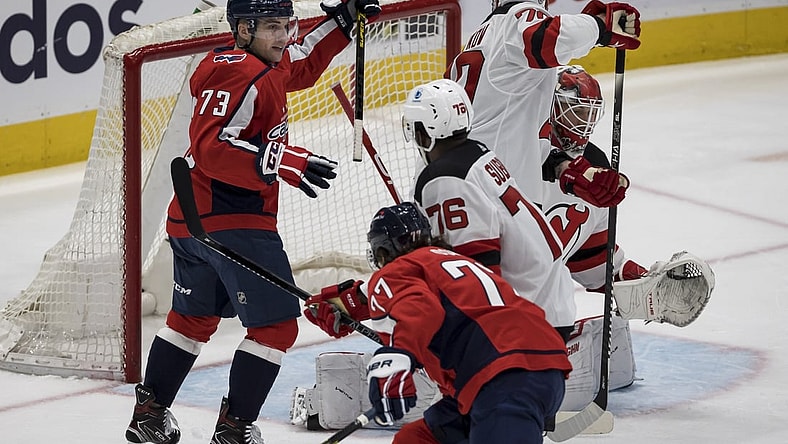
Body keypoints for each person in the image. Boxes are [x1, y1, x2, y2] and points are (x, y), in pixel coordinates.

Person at [124, 1, 381, 443]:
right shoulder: (240, 72)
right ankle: (234, 429)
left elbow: (299, 64)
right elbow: (210, 148)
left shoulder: (256, 64)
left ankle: (149, 415)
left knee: (190, 321)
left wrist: (342, 21)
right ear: (243, 29)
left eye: (286, 26)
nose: (283, 36)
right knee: (276, 327)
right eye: (272, 28)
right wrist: (283, 159)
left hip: (190, 223)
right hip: (233, 220)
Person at [365, 202, 572, 443]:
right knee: (416, 439)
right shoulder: (452, 261)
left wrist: (399, 355)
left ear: (383, 250)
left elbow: (420, 309)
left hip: (503, 375)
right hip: (538, 369)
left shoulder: (395, 271)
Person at [446, 0, 640, 208]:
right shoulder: (518, 15)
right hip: (495, 195)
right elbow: (547, 39)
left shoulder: (486, 33)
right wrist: (600, 26)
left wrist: (564, 168)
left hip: (464, 185)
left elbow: (508, 133)